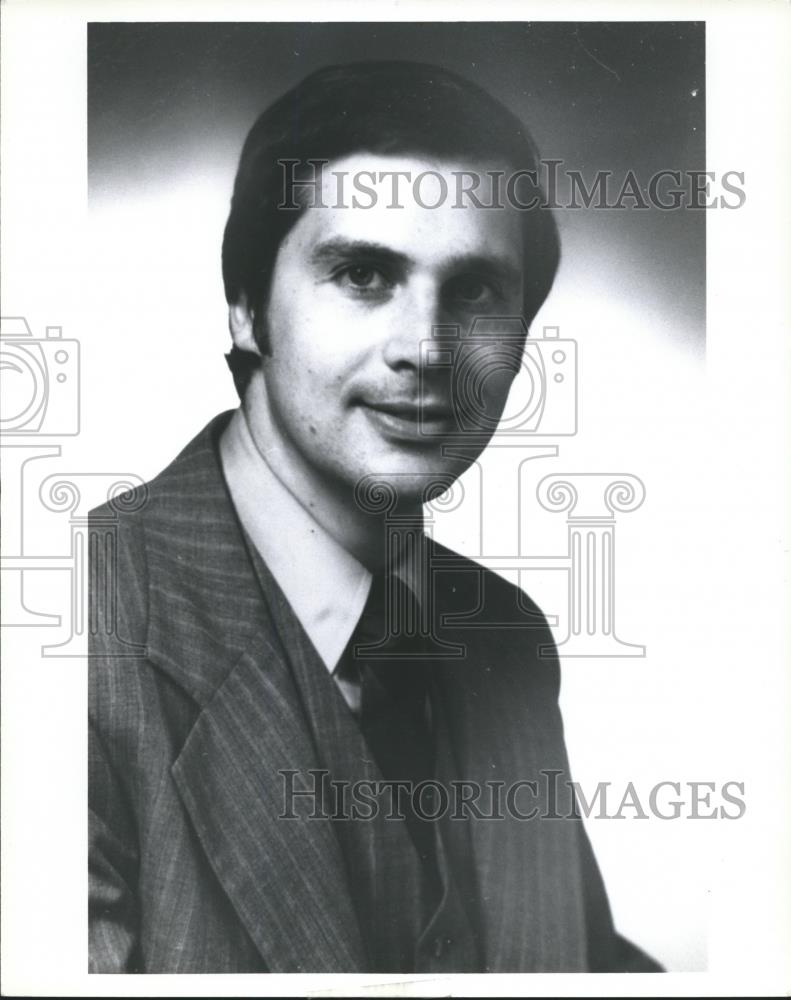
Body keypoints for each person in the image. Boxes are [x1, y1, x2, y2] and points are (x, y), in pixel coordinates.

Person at [88, 60, 661, 974]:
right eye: (362, 274)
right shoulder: (64, 629)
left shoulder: (502, 634)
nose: (425, 349)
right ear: (245, 308)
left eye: (474, 291)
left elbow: (577, 968)